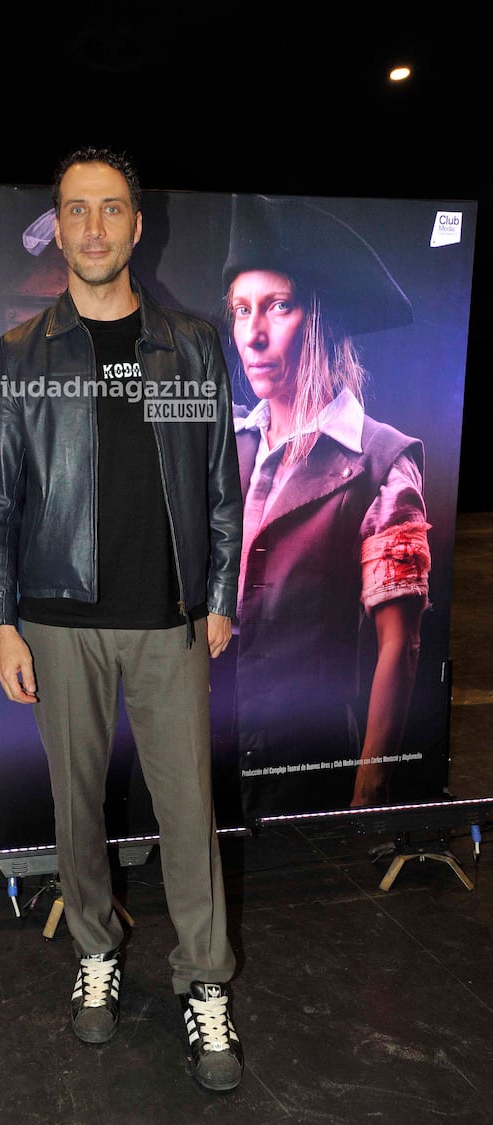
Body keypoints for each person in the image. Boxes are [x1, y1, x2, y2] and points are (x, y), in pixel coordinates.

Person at [0, 147, 245, 1091]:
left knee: (188, 817)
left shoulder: (189, 344)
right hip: (56, 621)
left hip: (169, 621)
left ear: (136, 224)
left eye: (111, 208)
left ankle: (204, 979)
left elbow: (219, 481)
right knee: (76, 810)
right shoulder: (23, 352)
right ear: (57, 227)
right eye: (76, 210)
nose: (93, 227)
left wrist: (218, 594)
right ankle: (95, 949)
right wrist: (2, 622)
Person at [222, 195, 432, 819]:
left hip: (305, 763)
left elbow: (401, 645)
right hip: (203, 759)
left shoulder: (382, 462)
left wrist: (369, 788)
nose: (253, 334)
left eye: (278, 306)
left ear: (322, 318)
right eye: (241, 310)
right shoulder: (225, 442)